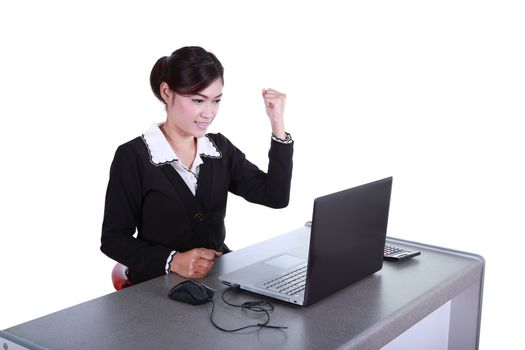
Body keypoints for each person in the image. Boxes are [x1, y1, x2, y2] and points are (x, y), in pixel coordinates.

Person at [100, 46, 293, 285]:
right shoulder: (133, 157)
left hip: (216, 282)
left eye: (216, 101)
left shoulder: (218, 149)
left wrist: (277, 124)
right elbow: (113, 239)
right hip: (158, 287)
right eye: (198, 100)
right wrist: (174, 260)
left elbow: (275, 197)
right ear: (166, 92)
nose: (208, 113)